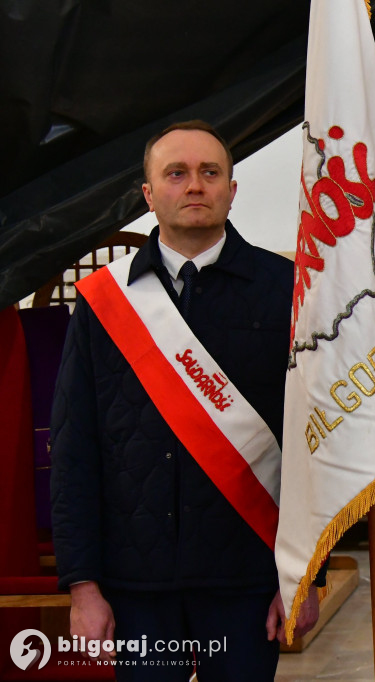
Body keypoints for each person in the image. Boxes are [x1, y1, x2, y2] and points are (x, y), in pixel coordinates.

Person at [49, 121, 318, 681]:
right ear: (148, 194)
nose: (194, 185)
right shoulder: (104, 301)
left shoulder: (288, 288)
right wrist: (83, 584)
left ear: (231, 189)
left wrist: (304, 576)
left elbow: (311, 444)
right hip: (135, 585)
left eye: (209, 172)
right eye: (176, 173)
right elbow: (73, 450)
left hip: (247, 579)